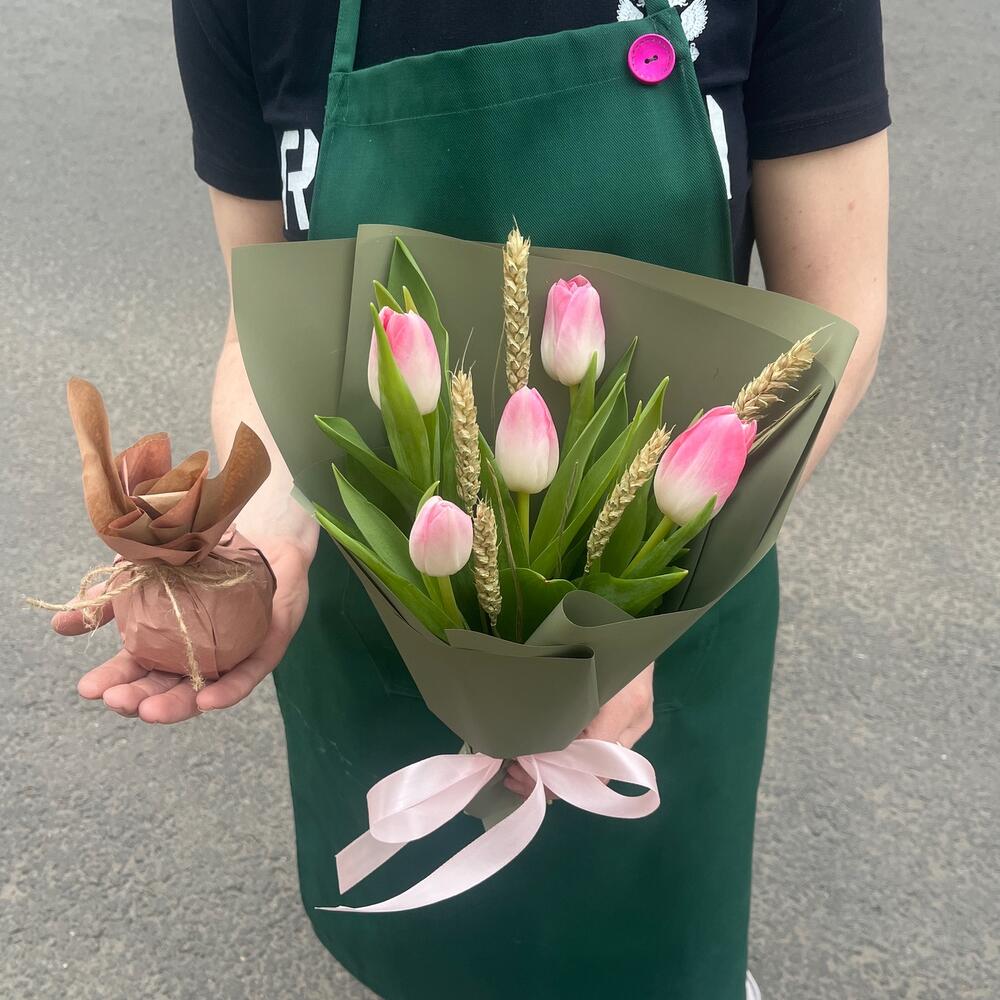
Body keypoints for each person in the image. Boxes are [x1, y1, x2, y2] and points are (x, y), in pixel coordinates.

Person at [55, 2, 889, 997]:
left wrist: (641, 616)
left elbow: (834, 308)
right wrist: (265, 527)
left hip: (668, 597)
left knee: (647, 953)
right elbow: (266, 319)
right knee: (434, 954)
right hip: (382, 607)